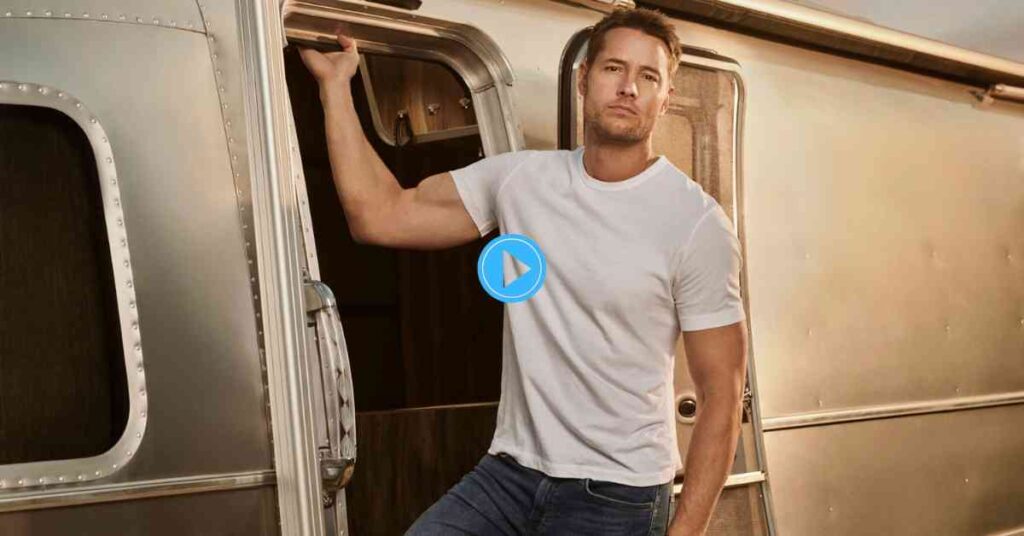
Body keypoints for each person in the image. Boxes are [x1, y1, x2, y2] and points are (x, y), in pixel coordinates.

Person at [299, 7, 748, 536]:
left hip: (617, 492)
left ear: (665, 97)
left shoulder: (694, 223)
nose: (629, 87)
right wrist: (334, 89)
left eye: (648, 77)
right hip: (509, 474)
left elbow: (722, 392)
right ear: (584, 80)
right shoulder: (521, 182)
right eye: (613, 69)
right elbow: (379, 215)